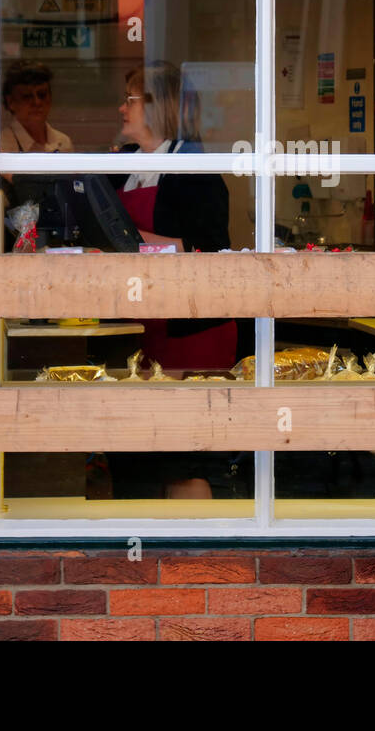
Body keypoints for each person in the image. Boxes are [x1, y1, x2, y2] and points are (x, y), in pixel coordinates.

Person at [111, 61, 240, 500]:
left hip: (190, 332)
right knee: (138, 457)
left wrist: (131, 241)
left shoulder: (196, 168)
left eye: (130, 99)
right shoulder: (123, 164)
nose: (121, 109)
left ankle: (199, 566)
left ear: (158, 107)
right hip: (139, 329)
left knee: (182, 457)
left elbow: (208, 250)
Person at [0, 61, 74, 153]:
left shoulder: (63, 143)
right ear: (10, 102)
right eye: (27, 96)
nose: (37, 102)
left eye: (42, 95)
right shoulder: (1, 146)